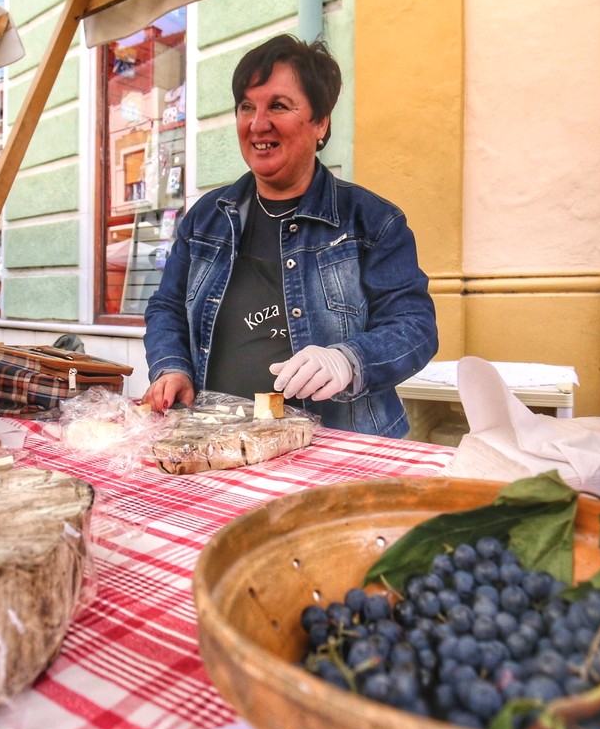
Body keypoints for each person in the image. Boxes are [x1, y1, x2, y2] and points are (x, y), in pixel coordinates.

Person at [141, 34, 438, 437]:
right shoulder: (207, 219)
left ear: (321, 122)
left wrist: (349, 360)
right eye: (247, 107)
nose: (258, 124)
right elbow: (167, 307)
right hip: (216, 442)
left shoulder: (372, 221)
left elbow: (415, 327)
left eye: (278, 106)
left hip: (339, 451)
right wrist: (171, 365)